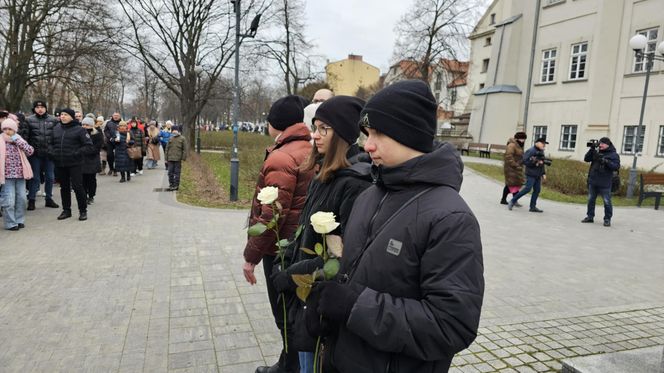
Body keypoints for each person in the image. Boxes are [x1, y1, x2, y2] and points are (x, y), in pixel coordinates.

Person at [306, 80, 484, 373]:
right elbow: (355, 274)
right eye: (367, 133)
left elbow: (452, 325)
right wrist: (329, 306)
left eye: (379, 132)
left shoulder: (451, 218)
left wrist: (354, 307)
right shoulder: (369, 195)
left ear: (410, 135)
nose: (368, 144)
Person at [270, 96, 371, 373]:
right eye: (315, 127)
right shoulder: (324, 173)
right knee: (304, 359)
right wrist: (285, 257)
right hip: (306, 297)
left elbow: (341, 258)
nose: (314, 135)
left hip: (323, 302)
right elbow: (304, 227)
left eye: (323, 128)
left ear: (343, 134)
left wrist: (293, 274)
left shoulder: (354, 185)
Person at [243, 95, 314, 373]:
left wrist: (251, 256)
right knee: (298, 310)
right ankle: (292, 362)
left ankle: (290, 366)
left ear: (275, 124)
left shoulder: (282, 156)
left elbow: (272, 213)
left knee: (284, 313)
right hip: (304, 247)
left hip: (281, 250)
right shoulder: (309, 148)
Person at [49, 108, 94, 221]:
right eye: (61, 114)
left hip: (75, 163)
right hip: (60, 162)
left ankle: (83, 211)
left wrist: (76, 153)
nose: (62, 116)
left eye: (65, 114)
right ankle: (66, 210)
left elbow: (88, 146)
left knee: (78, 187)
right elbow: (50, 143)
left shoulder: (80, 130)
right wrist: (52, 153)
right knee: (64, 187)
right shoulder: (56, 128)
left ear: (71, 117)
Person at [25, 100, 59, 210]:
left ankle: (48, 198)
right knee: (35, 178)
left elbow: (57, 136)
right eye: (37, 107)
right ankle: (31, 200)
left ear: (46, 108)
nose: (40, 109)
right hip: (35, 154)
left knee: (50, 177)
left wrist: (55, 150)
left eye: (42, 107)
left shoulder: (53, 120)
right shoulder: (29, 120)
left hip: (49, 153)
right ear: (34, 109)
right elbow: (26, 137)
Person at [1, 118, 34, 230]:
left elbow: (30, 151)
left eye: (10, 129)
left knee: (22, 199)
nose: (7, 131)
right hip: (6, 176)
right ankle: (10, 223)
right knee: (9, 201)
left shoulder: (19, 139)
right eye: (5, 129)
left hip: (20, 175)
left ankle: (19, 220)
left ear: (14, 130)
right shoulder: (0, 140)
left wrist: (17, 139)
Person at [582, 137, 620, 227]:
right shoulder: (596, 151)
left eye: (602, 144)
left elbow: (616, 166)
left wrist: (605, 161)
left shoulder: (613, 155)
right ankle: (590, 217)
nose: (600, 145)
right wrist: (591, 149)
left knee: (607, 201)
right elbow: (586, 159)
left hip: (605, 183)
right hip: (593, 181)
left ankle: (607, 219)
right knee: (591, 200)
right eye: (600, 143)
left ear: (608, 145)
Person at [508, 137, 549, 212]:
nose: (544, 145)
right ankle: (512, 201)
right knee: (527, 189)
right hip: (530, 174)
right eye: (543, 144)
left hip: (538, 175)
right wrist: (535, 163)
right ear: (537, 143)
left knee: (537, 190)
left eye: (544, 144)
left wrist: (543, 173)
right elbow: (524, 161)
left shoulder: (541, 151)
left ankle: (532, 207)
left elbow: (542, 164)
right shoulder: (531, 151)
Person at [501, 131, 527, 205]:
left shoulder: (518, 145)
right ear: (517, 138)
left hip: (516, 167)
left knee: (511, 184)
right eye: (522, 139)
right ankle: (514, 200)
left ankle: (503, 200)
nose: (523, 141)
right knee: (514, 184)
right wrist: (515, 164)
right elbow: (509, 156)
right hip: (511, 168)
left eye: (524, 139)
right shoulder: (512, 145)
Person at [81, 117, 103, 204]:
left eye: (87, 125)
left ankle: (91, 196)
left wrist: (84, 150)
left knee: (91, 179)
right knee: (82, 179)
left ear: (91, 125)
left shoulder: (97, 134)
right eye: (83, 124)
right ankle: (84, 195)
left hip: (92, 159)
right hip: (81, 159)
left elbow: (97, 148)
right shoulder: (79, 133)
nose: (84, 126)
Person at [164, 125, 187, 191]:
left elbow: (185, 149)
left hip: (178, 159)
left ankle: (176, 185)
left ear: (178, 131)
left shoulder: (182, 138)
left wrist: (183, 158)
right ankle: (171, 184)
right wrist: (166, 158)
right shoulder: (170, 138)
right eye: (173, 130)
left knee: (177, 173)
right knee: (170, 172)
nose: (174, 131)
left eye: (175, 130)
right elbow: (167, 149)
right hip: (170, 158)